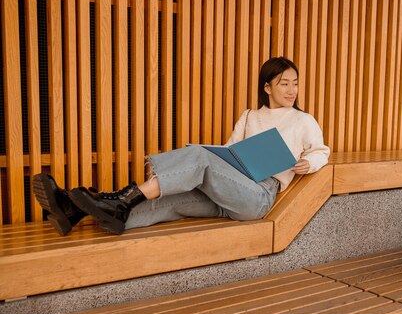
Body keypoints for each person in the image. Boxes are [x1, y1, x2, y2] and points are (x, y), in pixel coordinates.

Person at [34, 57, 330, 236]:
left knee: (200, 157)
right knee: (162, 204)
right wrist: (222, 159)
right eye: (284, 84)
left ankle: (122, 198)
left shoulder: (303, 121)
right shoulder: (250, 116)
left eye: (295, 83)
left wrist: (310, 163)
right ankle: (75, 210)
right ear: (267, 87)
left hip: (258, 197)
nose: (291, 90)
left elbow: (321, 151)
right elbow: (228, 153)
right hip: (228, 188)